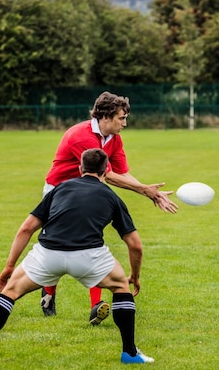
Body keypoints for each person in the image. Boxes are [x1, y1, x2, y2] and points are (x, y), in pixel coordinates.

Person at [0, 148, 154, 364]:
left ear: (79, 168)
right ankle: (130, 354)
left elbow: (26, 229)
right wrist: (135, 275)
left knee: (10, 292)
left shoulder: (60, 189)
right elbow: (135, 245)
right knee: (121, 287)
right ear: (105, 172)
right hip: (89, 257)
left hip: (48, 254)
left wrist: (9, 266)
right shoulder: (112, 196)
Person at [40, 91, 178, 325]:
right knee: (57, 247)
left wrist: (149, 192)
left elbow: (122, 172)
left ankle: (96, 306)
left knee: (90, 241)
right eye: (121, 118)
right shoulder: (81, 137)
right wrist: (145, 190)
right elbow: (109, 175)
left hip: (88, 192)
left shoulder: (114, 138)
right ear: (105, 116)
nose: (125, 123)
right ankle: (48, 294)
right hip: (59, 193)